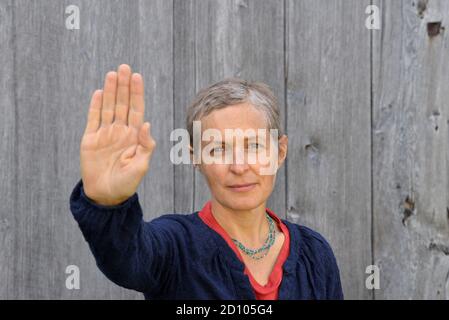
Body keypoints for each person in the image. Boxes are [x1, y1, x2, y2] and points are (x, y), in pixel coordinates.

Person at [69, 64, 344, 300]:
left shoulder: (315, 255)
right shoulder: (174, 247)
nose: (239, 166)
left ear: (280, 152)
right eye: (218, 149)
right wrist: (108, 203)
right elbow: (125, 258)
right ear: (195, 157)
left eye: (254, 146)